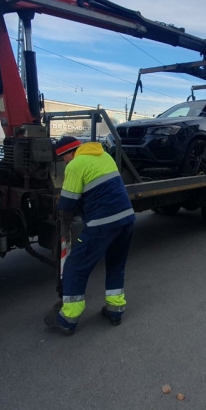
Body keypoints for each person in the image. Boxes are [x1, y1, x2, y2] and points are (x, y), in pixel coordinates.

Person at [45, 136, 136, 336]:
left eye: (63, 158)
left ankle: (68, 319)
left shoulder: (76, 165)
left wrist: (59, 208)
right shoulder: (104, 156)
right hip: (127, 218)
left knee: (75, 266)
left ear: (70, 153)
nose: (64, 162)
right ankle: (115, 311)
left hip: (102, 224)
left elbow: (68, 203)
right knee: (116, 265)